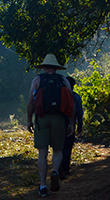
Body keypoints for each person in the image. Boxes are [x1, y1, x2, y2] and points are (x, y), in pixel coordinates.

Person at [27, 54, 75, 197]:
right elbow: (71, 103)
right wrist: (71, 122)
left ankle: (42, 186)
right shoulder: (63, 80)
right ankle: (55, 171)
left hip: (42, 118)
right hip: (59, 118)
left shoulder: (37, 80)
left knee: (42, 152)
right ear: (56, 67)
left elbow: (30, 102)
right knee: (58, 150)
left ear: (44, 67)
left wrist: (29, 120)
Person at [58, 71, 83, 178]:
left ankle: (58, 167)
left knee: (59, 146)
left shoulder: (58, 96)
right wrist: (80, 125)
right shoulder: (76, 97)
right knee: (68, 146)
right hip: (70, 123)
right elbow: (79, 112)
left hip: (59, 123)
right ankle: (65, 168)